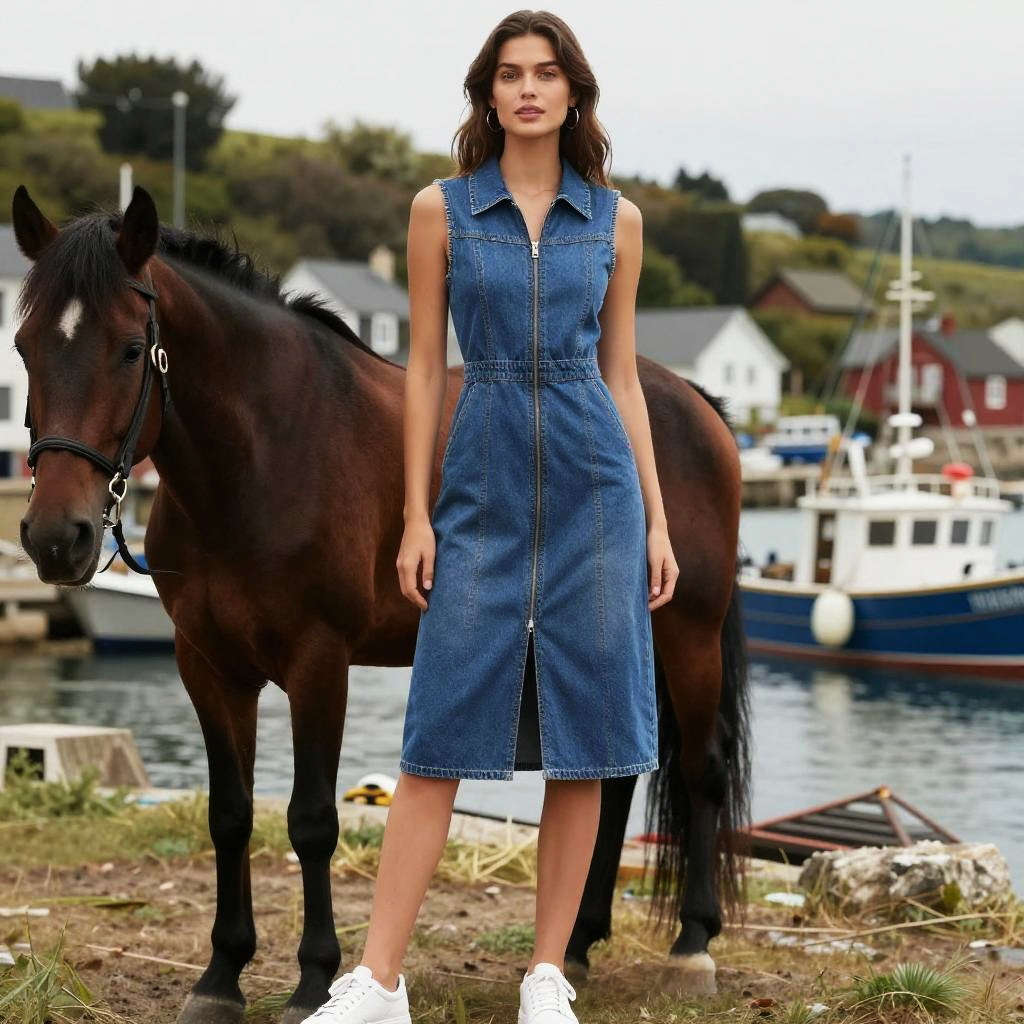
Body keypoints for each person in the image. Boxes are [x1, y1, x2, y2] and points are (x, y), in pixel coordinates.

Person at [302, 10, 678, 1024]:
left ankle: (545, 974)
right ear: (487, 94)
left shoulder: (615, 220)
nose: (526, 89)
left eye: (544, 74)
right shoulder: (442, 210)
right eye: (509, 74)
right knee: (435, 735)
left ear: (572, 93)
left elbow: (622, 378)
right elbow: (425, 367)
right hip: (478, 492)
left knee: (589, 741)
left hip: (597, 495)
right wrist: (415, 513)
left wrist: (653, 519)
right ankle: (378, 980)